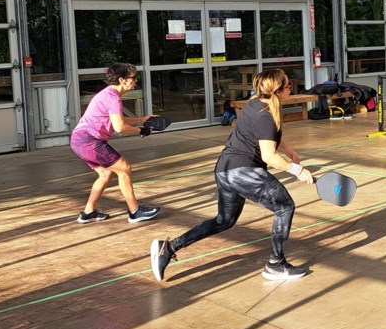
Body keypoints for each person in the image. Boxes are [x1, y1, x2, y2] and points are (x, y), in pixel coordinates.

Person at [150, 68, 314, 282]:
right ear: (278, 90)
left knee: (224, 220)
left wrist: (288, 149)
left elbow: (264, 135)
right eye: (288, 84)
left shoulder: (255, 104)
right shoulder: (265, 115)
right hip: (243, 171)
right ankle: (275, 264)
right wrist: (298, 171)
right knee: (284, 206)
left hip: (225, 170)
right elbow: (268, 156)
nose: (291, 87)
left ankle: (169, 247)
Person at [69, 63, 162, 224]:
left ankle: (88, 212)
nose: (136, 81)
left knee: (105, 174)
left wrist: (143, 119)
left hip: (79, 141)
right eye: (133, 77)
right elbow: (120, 127)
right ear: (122, 80)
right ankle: (135, 212)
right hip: (89, 141)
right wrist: (140, 131)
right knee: (124, 168)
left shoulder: (109, 95)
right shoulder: (112, 97)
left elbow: (117, 119)